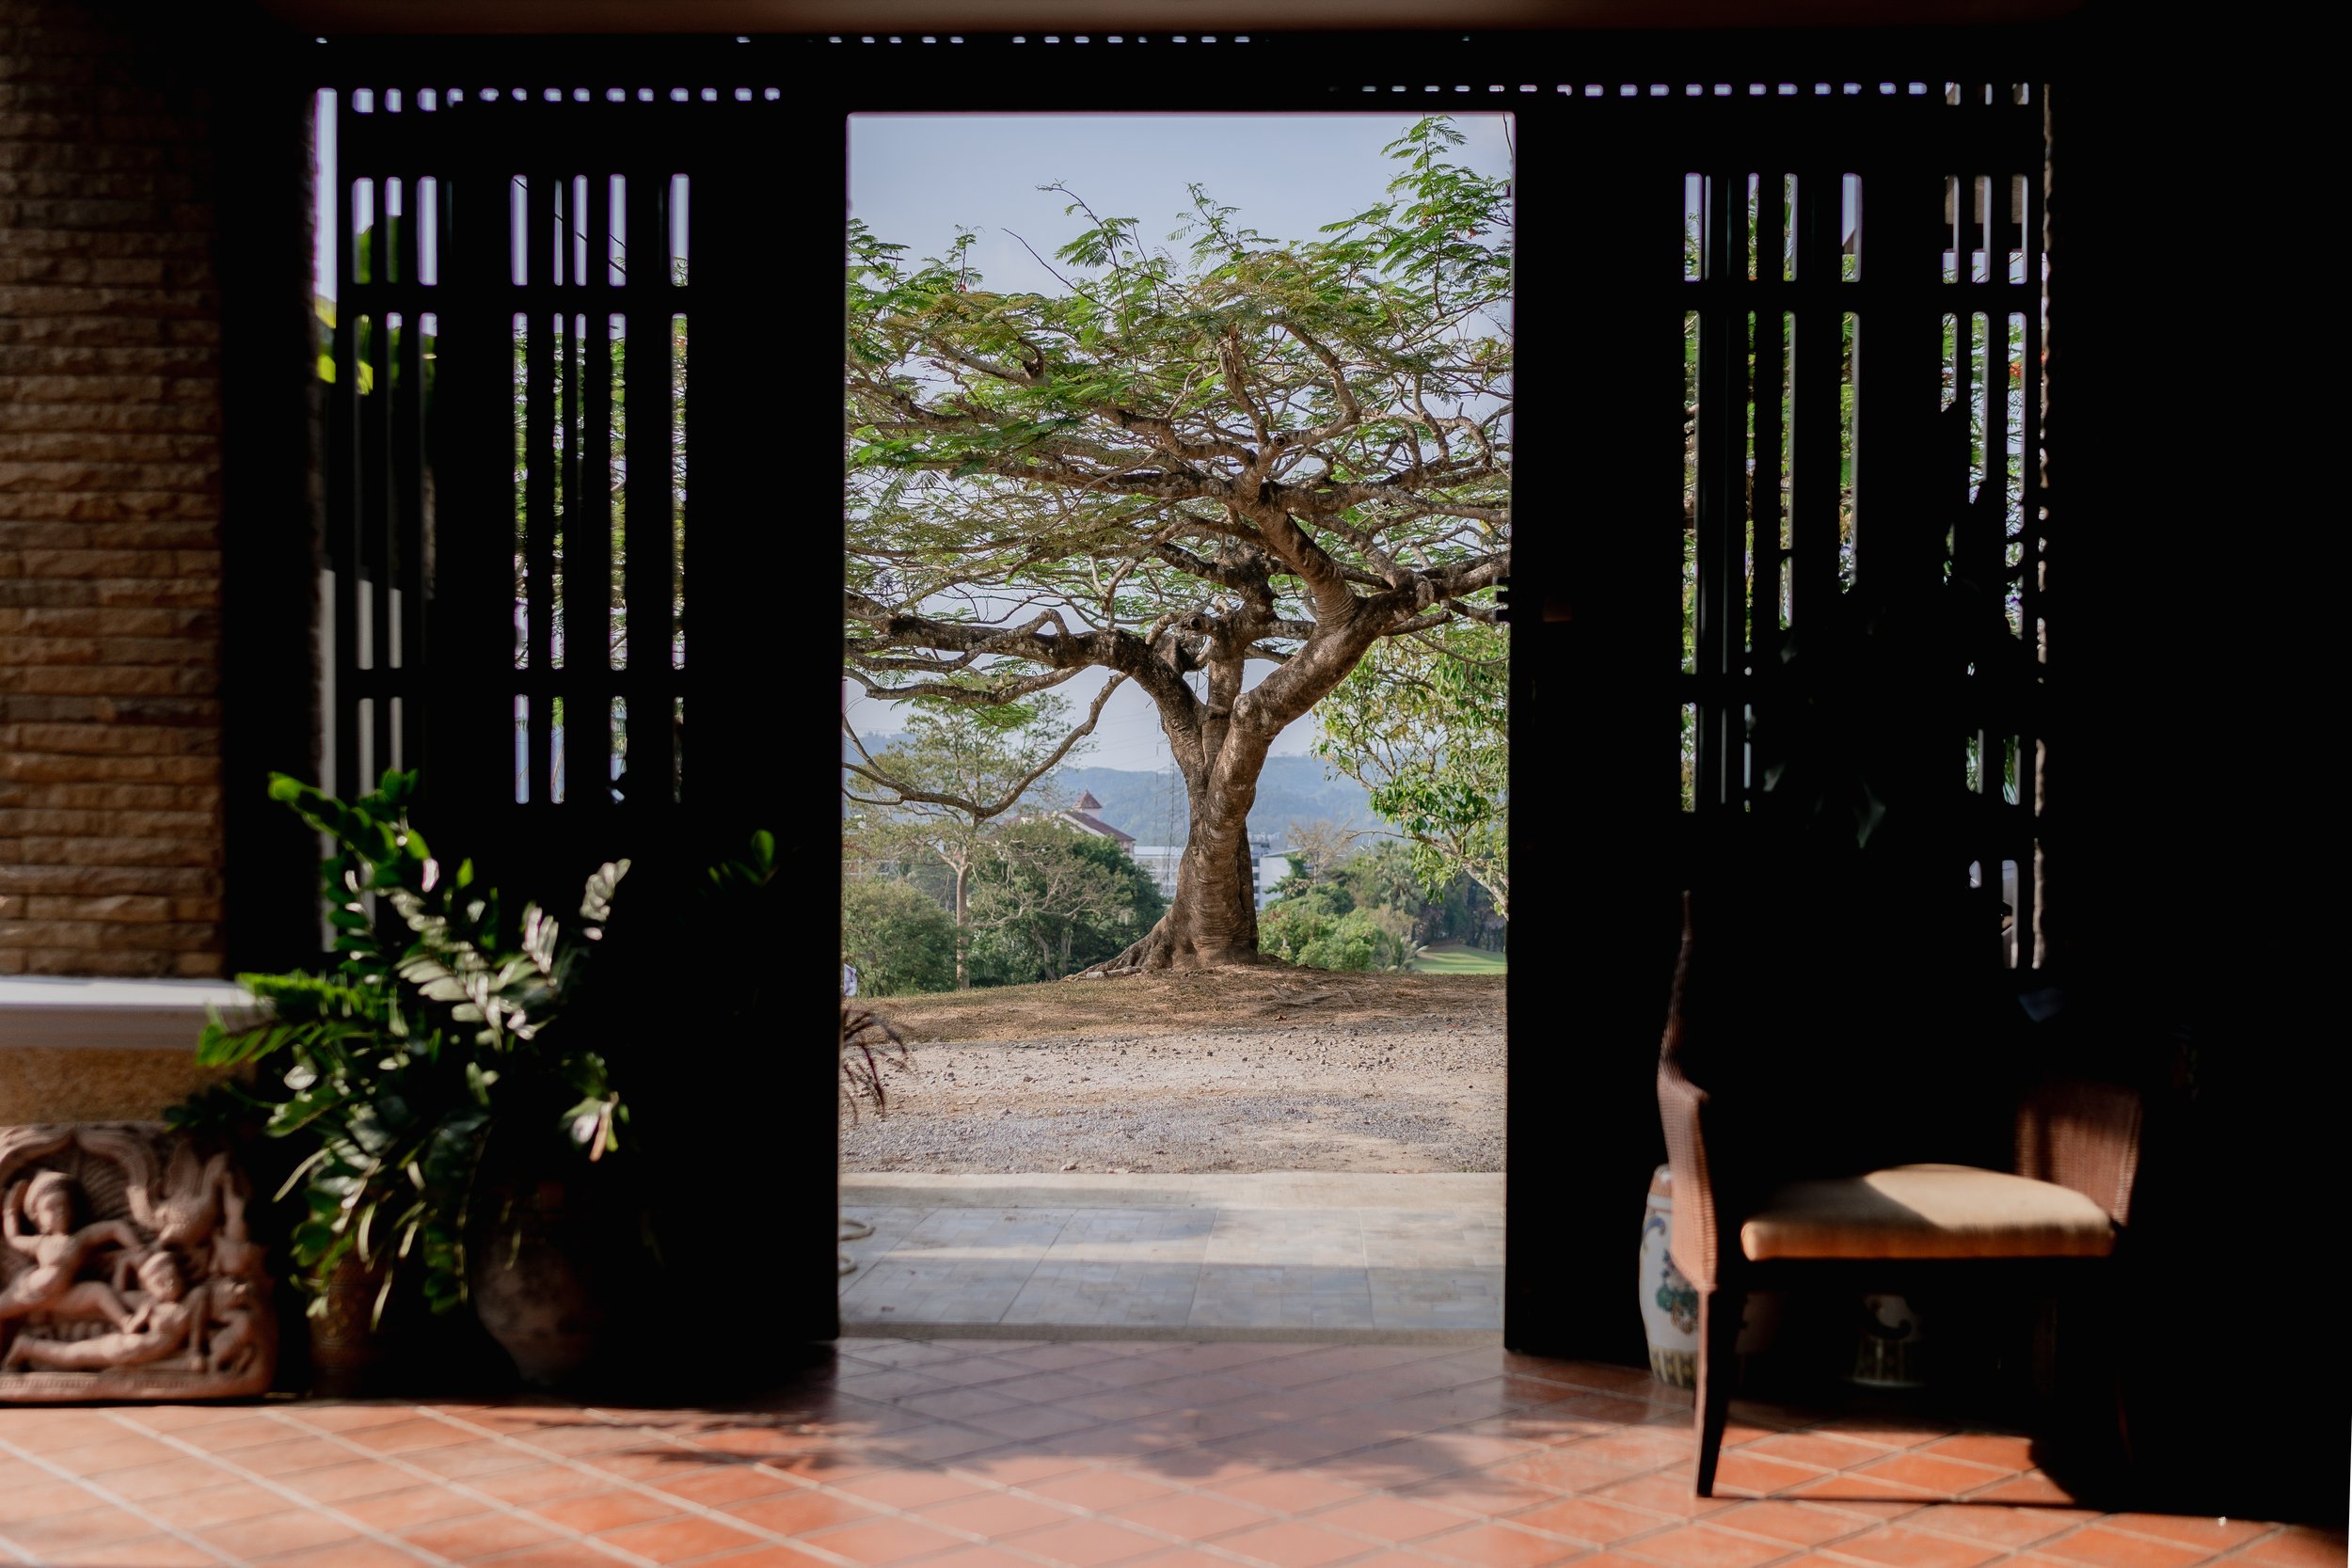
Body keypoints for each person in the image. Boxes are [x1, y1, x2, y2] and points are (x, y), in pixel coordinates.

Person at [0, 1171, 146, 1332]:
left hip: (62, 1296)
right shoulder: (40, 1243)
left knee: (99, 1291)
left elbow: (115, 1228)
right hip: (29, 1291)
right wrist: (10, 1210)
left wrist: (138, 1248)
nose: (60, 1211)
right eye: (51, 1207)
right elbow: (13, 1238)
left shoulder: (80, 1239)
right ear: (38, 1217)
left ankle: (126, 1321)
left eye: (64, 1205)